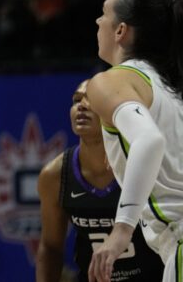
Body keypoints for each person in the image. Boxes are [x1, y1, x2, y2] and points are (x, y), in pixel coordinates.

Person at [86, 0, 183, 282]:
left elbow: (149, 141)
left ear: (121, 31)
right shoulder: (171, 90)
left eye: (104, 13)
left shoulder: (109, 81)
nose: (97, 21)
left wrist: (121, 229)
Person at [37, 78, 163, 282]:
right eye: (77, 100)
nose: (82, 106)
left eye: (92, 100)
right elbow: (51, 247)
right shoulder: (55, 175)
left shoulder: (143, 163)